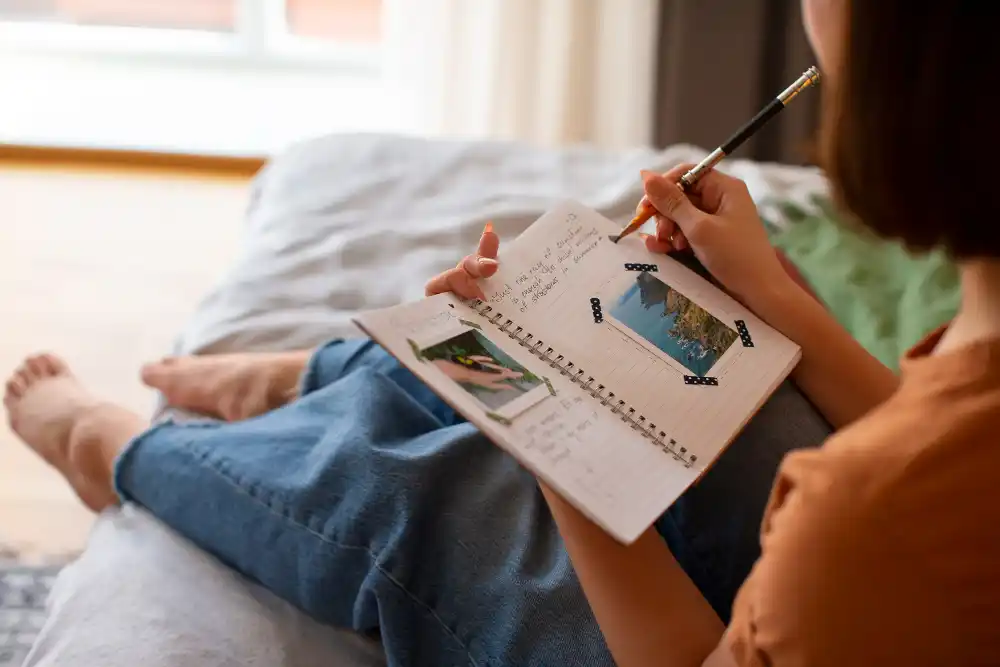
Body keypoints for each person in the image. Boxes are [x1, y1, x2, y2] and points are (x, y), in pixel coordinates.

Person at [9, 0, 996, 664]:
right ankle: (330, 375)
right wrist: (773, 296)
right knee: (730, 373)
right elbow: (920, 427)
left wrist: (551, 438)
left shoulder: (861, 523)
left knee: (443, 497)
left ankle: (125, 453)